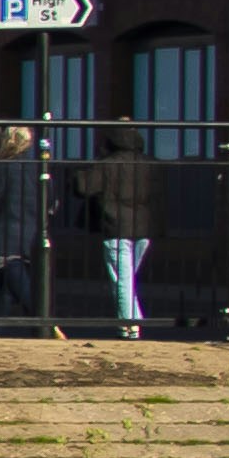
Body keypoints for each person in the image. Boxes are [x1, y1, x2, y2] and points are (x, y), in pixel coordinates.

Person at [80, 131, 159, 337]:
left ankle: (130, 324)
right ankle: (129, 323)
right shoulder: (150, 163)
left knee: (122, 279)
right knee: (126, 278)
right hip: (143, 228)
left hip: (115, 226)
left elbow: (83, 187)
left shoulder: (107, 163)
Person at [0, 121, 50, 324]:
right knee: (7, 283)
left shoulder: (2, 166)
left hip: (6, 230)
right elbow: (51, 201)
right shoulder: (37, 168)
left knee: (14, 275)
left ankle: (42, 320)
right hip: (32, 232)